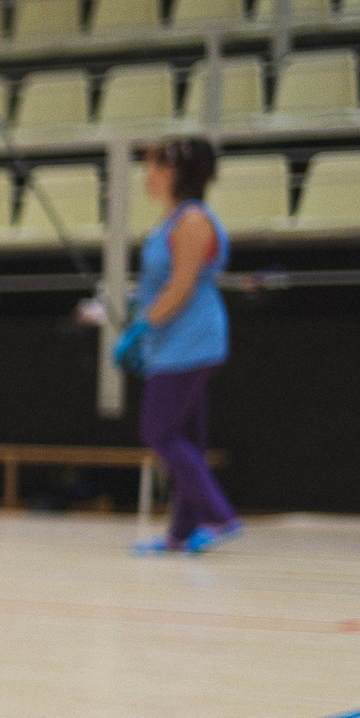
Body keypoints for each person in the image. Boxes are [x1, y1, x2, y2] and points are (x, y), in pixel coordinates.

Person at [120, 138, 241, 555]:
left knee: (158, 429)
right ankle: (181, 531)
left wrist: (140, 326)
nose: (147, 175)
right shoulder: (171, 219)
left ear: (174, 172)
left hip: (190, 341)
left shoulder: (191, 221)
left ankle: (218, 515)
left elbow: (182, 286)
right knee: (189, 435)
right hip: (172, 341)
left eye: (154, 166)